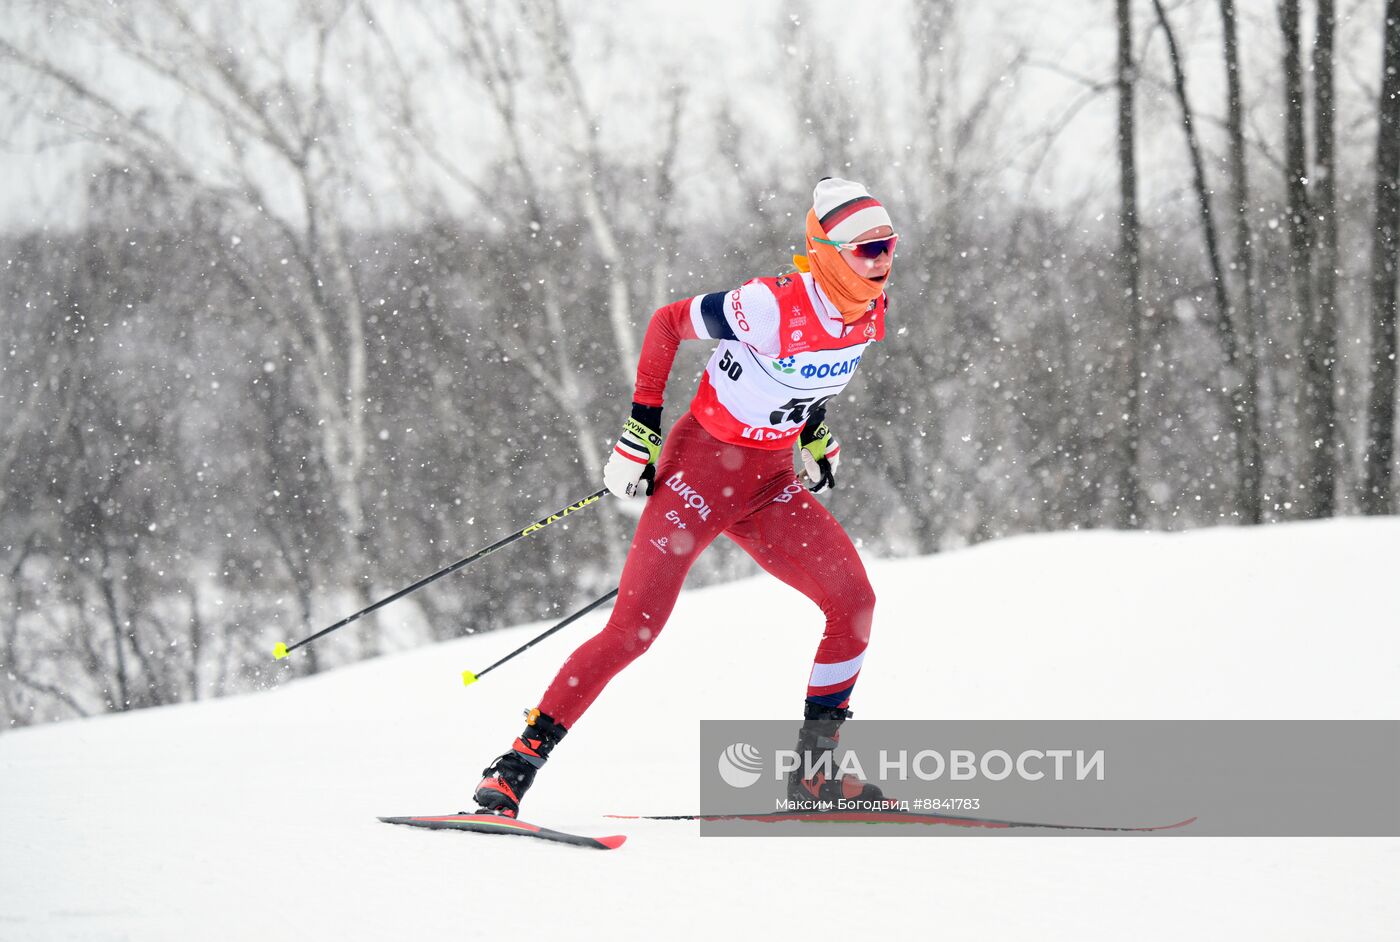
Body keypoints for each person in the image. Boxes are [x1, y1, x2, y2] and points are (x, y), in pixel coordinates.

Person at [472, 177, 898, 818]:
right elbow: (668, 323)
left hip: (769, 485)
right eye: (869, 250)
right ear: (828, 252)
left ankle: (815, 773)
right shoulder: (767, 305)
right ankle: (513, 769)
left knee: (853, 603)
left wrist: (814, 433)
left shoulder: (869, 313)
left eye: (890, 245)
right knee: (633, 632)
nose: (884, 261)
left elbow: (806, 377)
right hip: (700, 476)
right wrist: (638, 434)